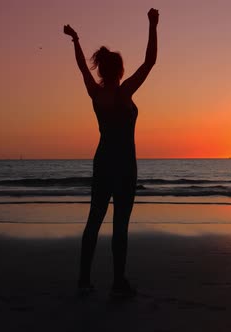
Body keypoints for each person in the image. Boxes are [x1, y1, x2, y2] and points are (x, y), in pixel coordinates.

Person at [63, 8, 158, 298]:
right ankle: (118, 281)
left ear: (102, 70)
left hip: (102, 163)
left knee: (94, 220)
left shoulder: (96, 94)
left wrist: (75, 40)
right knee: (120, 225)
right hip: (125, 167)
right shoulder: (124, 92)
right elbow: (150, 62)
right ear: (119, 71)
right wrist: (153, 24)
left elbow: (81, 67)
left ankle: (84, 280)